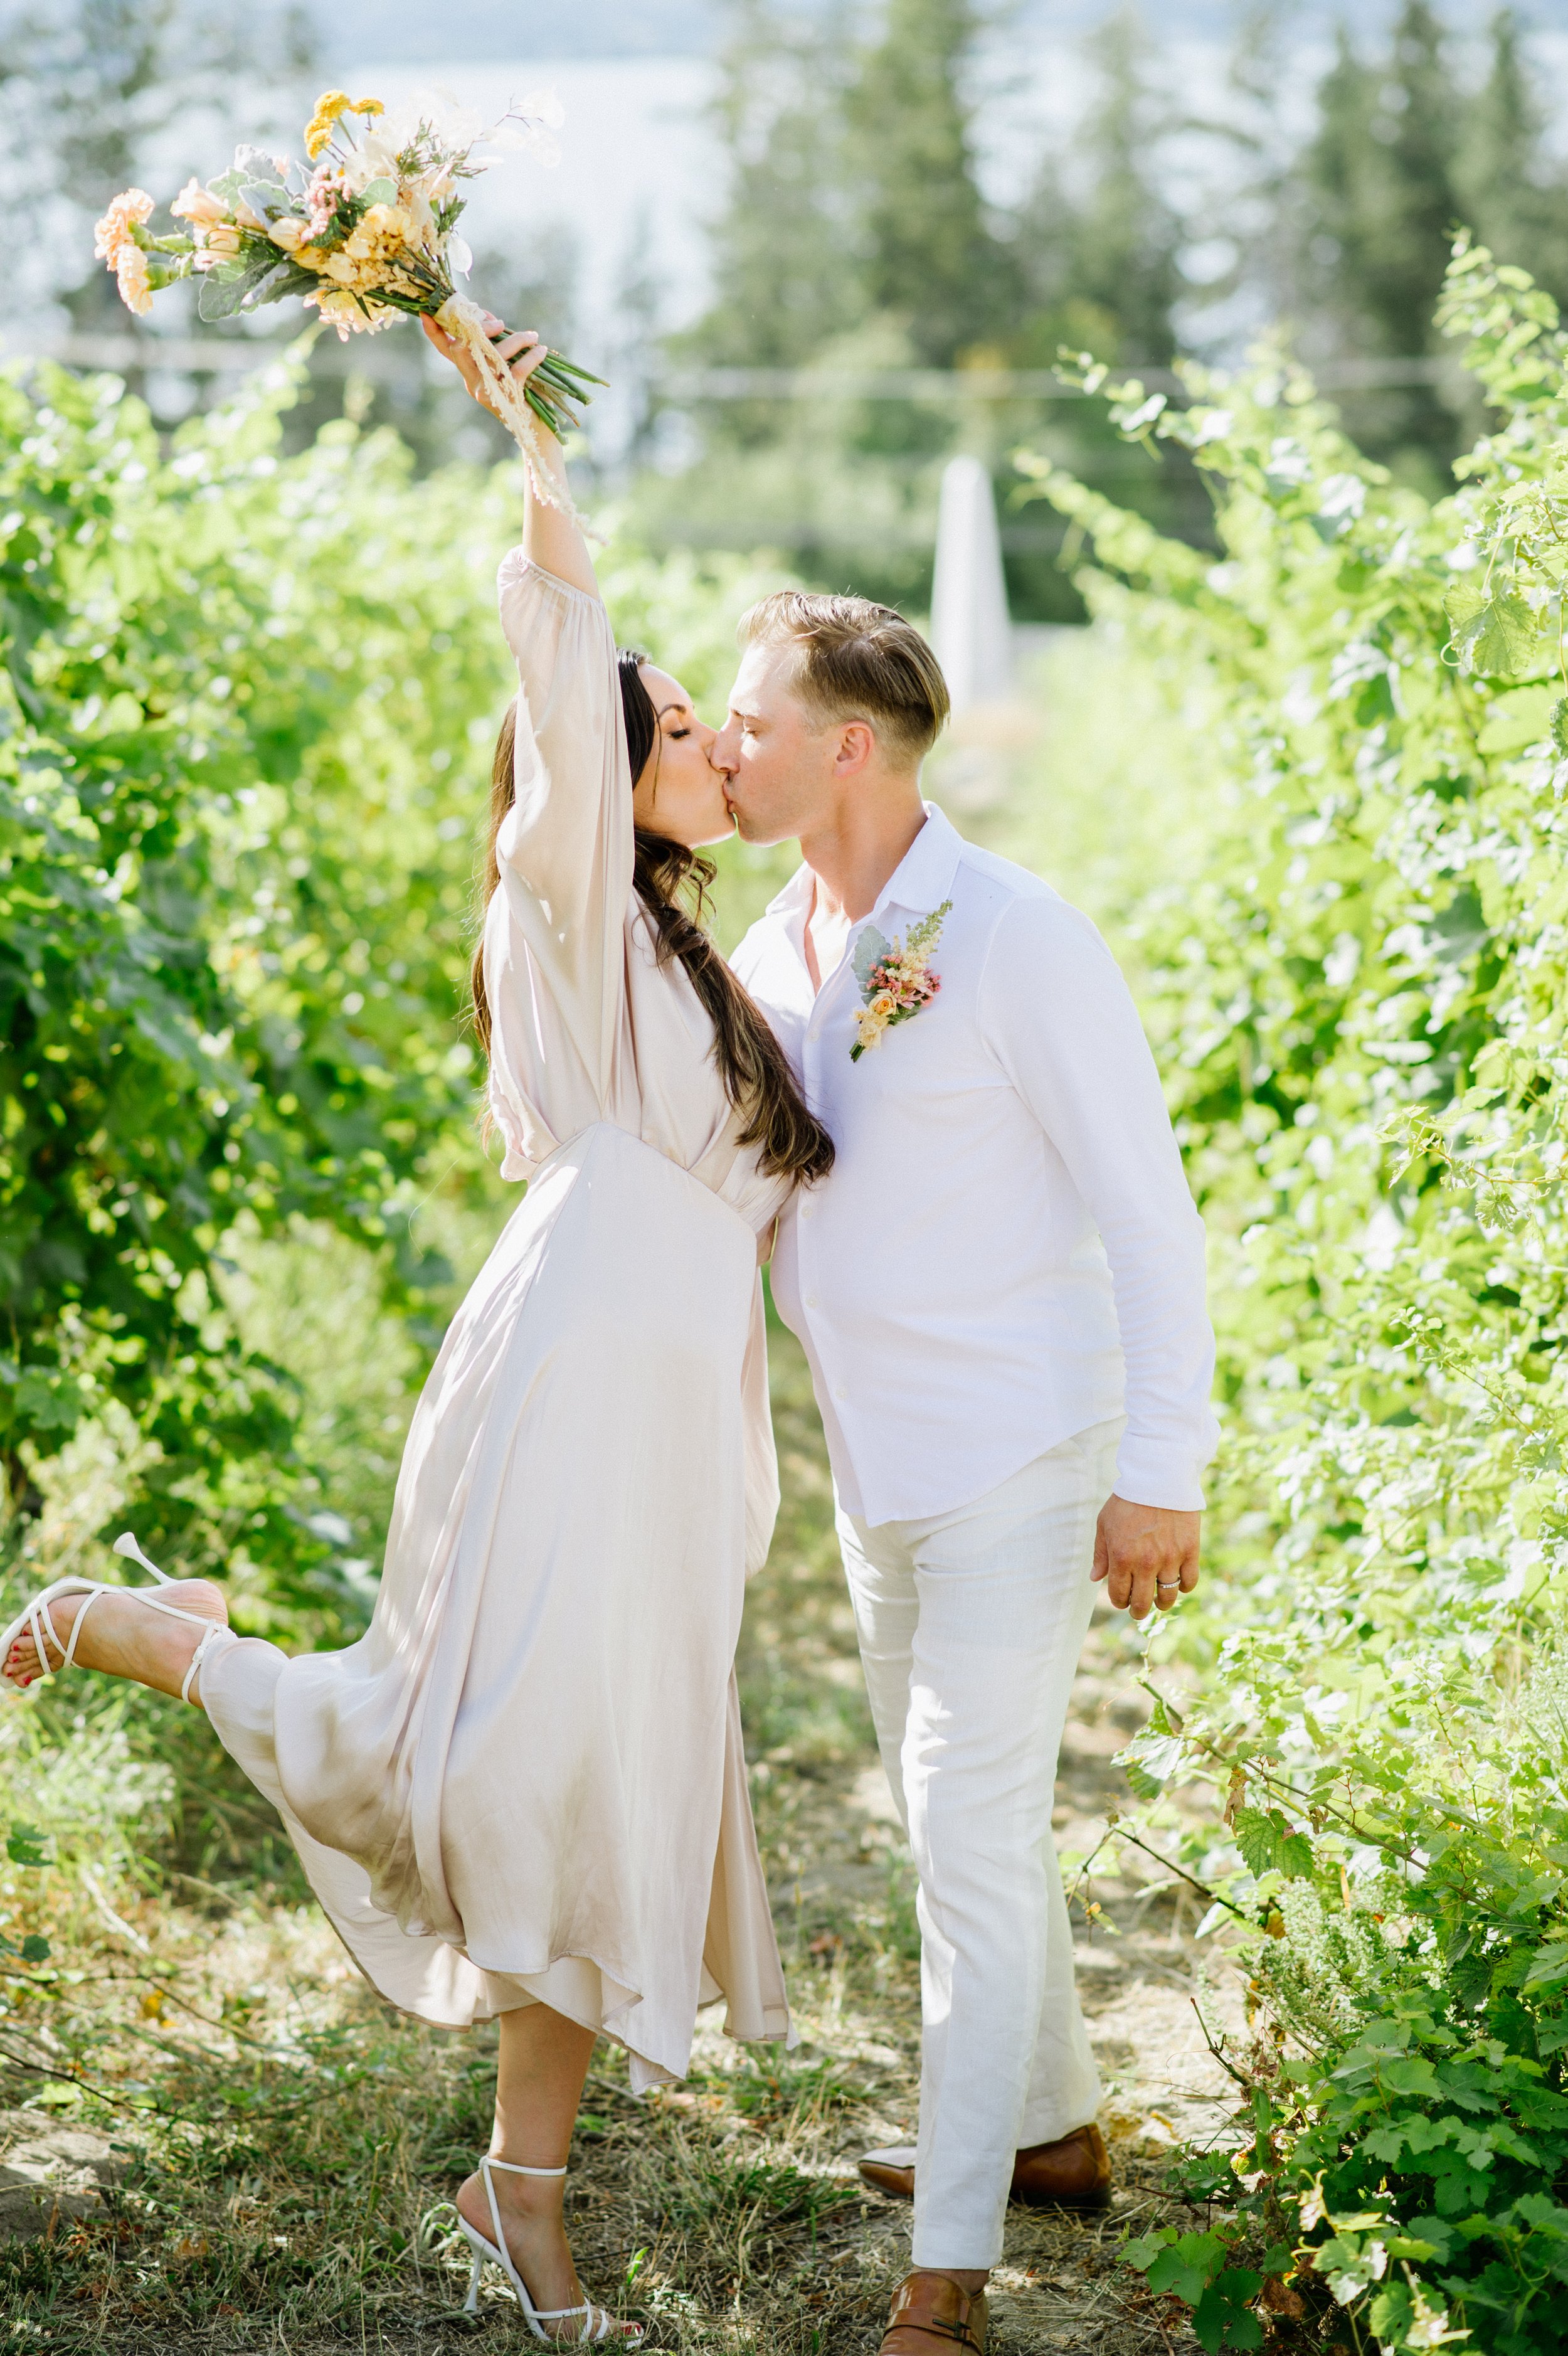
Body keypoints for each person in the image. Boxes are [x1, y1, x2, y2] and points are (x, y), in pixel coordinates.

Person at [1, 322, 834, 2349]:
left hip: (673, 1409)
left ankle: (515, 2187)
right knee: (491, 1765)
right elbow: (561, 673)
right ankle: (142, 1628)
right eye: (683, 736)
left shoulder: (697, 953)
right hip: (565, 1379)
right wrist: (527, 430)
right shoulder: (563, 903)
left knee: (607, 1783)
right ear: (596, 770)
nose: (719, 754)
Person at [716, 591, 1217, 2356]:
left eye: (751, 720)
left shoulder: (1015, 936)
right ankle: (1056, 2131)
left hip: (1022, 1447)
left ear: (847, 745)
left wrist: (1161, 1464)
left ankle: (946, 2276)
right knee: (967, 1832)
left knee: (962, 1839)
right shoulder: (771, 946)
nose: (723, 745)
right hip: (879, 1468)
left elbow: (1151, 1219)